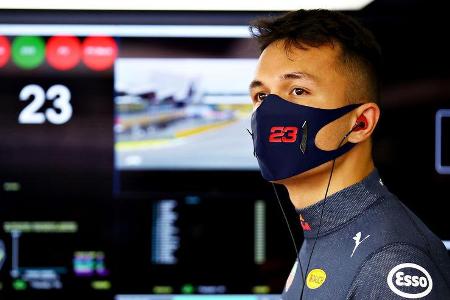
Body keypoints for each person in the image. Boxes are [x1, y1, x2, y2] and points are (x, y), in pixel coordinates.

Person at [247, 9, 450, 299]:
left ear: (361, 123)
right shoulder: (324, 228)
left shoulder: (389, 263)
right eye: (262, 96)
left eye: (298, 91)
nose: (270, 112)